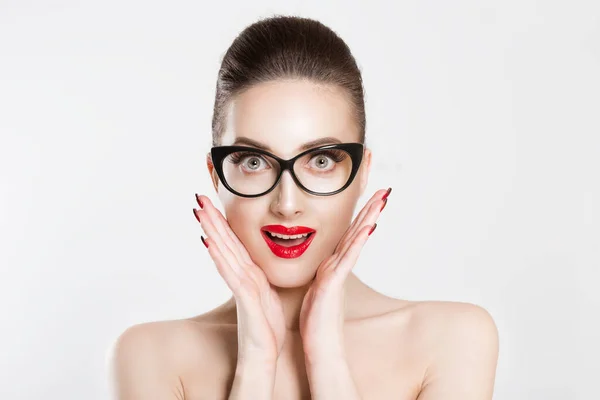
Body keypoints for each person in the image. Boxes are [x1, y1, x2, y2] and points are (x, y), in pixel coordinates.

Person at [110, 15, 499, 400]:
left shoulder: (451, 340)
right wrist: (256, 363)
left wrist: (326, 358)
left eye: (322, 160)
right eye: (253, 161)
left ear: (362, 171)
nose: (287, 204)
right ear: (215, 175)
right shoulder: (152, 356)